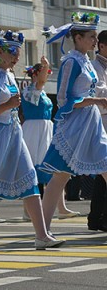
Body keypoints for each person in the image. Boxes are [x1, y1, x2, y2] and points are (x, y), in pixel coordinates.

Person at [0, 30, 63, 250]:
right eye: (13, 51)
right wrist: (6, 106)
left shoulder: (9, 75)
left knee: (30, 181)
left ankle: (42, 235)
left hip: (15, 135)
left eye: (18, 52)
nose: (17, 57)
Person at [41, 13, 107, 232]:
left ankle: (43, 231)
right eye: (91, 36)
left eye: (95, 37)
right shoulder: (71, 61)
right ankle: (42, 230)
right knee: (60, 177)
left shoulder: (85, 60)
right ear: (77, 38)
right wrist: (95, 100)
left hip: (92, 122)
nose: (95, 41)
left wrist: (95, 101)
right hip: (75, 125)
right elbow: (63, 99)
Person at [21, 59, 79, 222]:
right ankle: (27, 210)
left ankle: (61, 207)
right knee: (32, 168)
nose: (45, 75)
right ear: (35, 74)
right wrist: (46, 65)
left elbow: (42, 84)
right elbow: (40, 83)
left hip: (46, 129)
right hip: (33, 131)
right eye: (43, 72)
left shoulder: (43, 92)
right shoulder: (30, 91)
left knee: (55, 167)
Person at [88, 30, 107, 231]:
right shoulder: (94, 66)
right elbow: (98, 92)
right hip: (101, 121)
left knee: (104, 175)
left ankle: (97, 218)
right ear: (101, 46)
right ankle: (97, 218)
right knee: (103, 172)